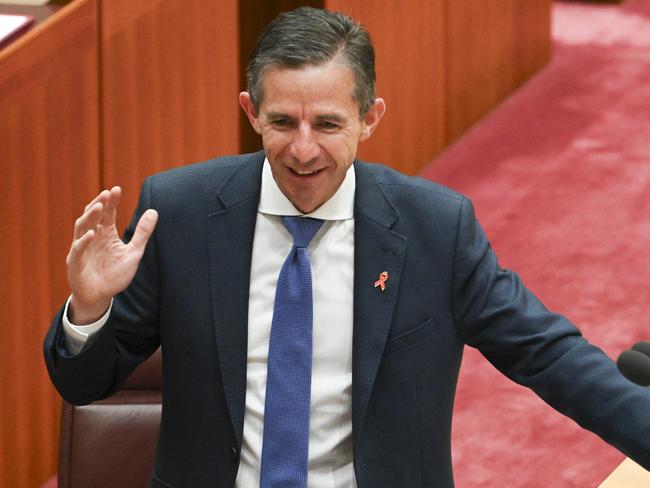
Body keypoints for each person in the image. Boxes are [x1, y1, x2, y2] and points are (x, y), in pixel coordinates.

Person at [44, 7, 650, 488]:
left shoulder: (435, 229)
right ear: (251, 113)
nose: (304, 150)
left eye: (328, 125)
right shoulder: (179, 213)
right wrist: (90, 311)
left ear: (370, 118)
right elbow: (84, 385)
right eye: (283, 122)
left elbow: (549, 355)